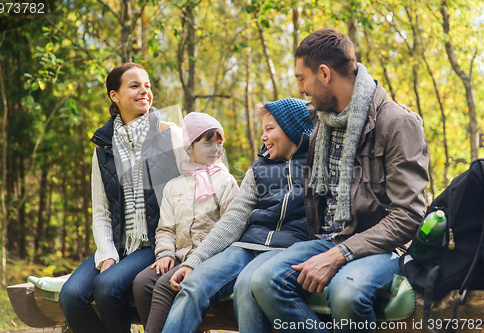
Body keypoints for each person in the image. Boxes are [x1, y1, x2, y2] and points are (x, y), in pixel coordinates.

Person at [249, 29, 430, 333]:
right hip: (326, 238)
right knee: (263, 281)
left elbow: (409, 215)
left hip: (383, 246)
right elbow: (282, 123)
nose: (301, 89)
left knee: (345, 294)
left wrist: (340, 254)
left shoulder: (396, 123)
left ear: (324, 74)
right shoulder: (326, 118)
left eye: (301, 78)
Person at [160, 98, 315, 333]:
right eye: (262, 130)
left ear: (292, 129)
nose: (263, 137)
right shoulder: (257, 170)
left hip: (286, 249)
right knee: (193, 284)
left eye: (269, 129)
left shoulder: (318, 167)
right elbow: (232, 220)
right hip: (245, 246)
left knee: (247, 286)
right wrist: (195, 261)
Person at [59, 62, 186, 333]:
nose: (144, 91)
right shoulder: (103, 147)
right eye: (135, 85)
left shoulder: (169, 133)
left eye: (147, 85)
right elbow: (102, 211)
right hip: (118, 244)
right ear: (114, 96)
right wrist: (107, 255)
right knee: (71, 295)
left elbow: (195, 188)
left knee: (107, 287)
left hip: (155, 243)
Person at [132, 112, 239, 333]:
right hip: (180, 256)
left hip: (209, 258)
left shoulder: (225, 181)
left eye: (219, 144)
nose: (216, 150)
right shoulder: (174, 186)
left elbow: (232, 226)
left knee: (164, 286)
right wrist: (165, 254)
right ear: (189, 147)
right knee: (142, 282)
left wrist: (201, 258)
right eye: (208, 143)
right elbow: (165, 229)